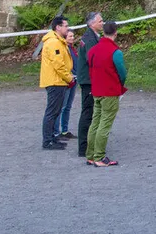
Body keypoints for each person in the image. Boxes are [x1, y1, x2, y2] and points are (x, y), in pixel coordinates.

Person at [85, 20, 128, 167]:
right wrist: (120, 85)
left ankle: (90, 154)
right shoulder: (116, 52)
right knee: (105, 124)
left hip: (96, 90)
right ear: (115, 33)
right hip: (109, 91)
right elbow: (122, 73)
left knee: (95, 122)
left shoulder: (92, 51)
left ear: (103, 32)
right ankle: (99, 156)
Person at [38, 16, 75, 151]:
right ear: (58, 27)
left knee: (55, 111)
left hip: (58, 81)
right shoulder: (54, 43)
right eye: (65, 26)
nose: (67, 28)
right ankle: (47, 141)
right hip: (55, 81)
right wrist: (69, 78)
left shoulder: (58, 41)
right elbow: (58, 65)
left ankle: (52, 137)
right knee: (52, 111)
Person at [70, 12, 104, 151]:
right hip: (89, 81)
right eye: (100, 21)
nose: (103, 23)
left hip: (91, 79)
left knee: (92, 112)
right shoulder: (89, 39)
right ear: (92, 23)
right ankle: (83, 147)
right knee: (88, 112)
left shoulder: (94, 37)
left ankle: (89, 143)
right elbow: (93, 59)